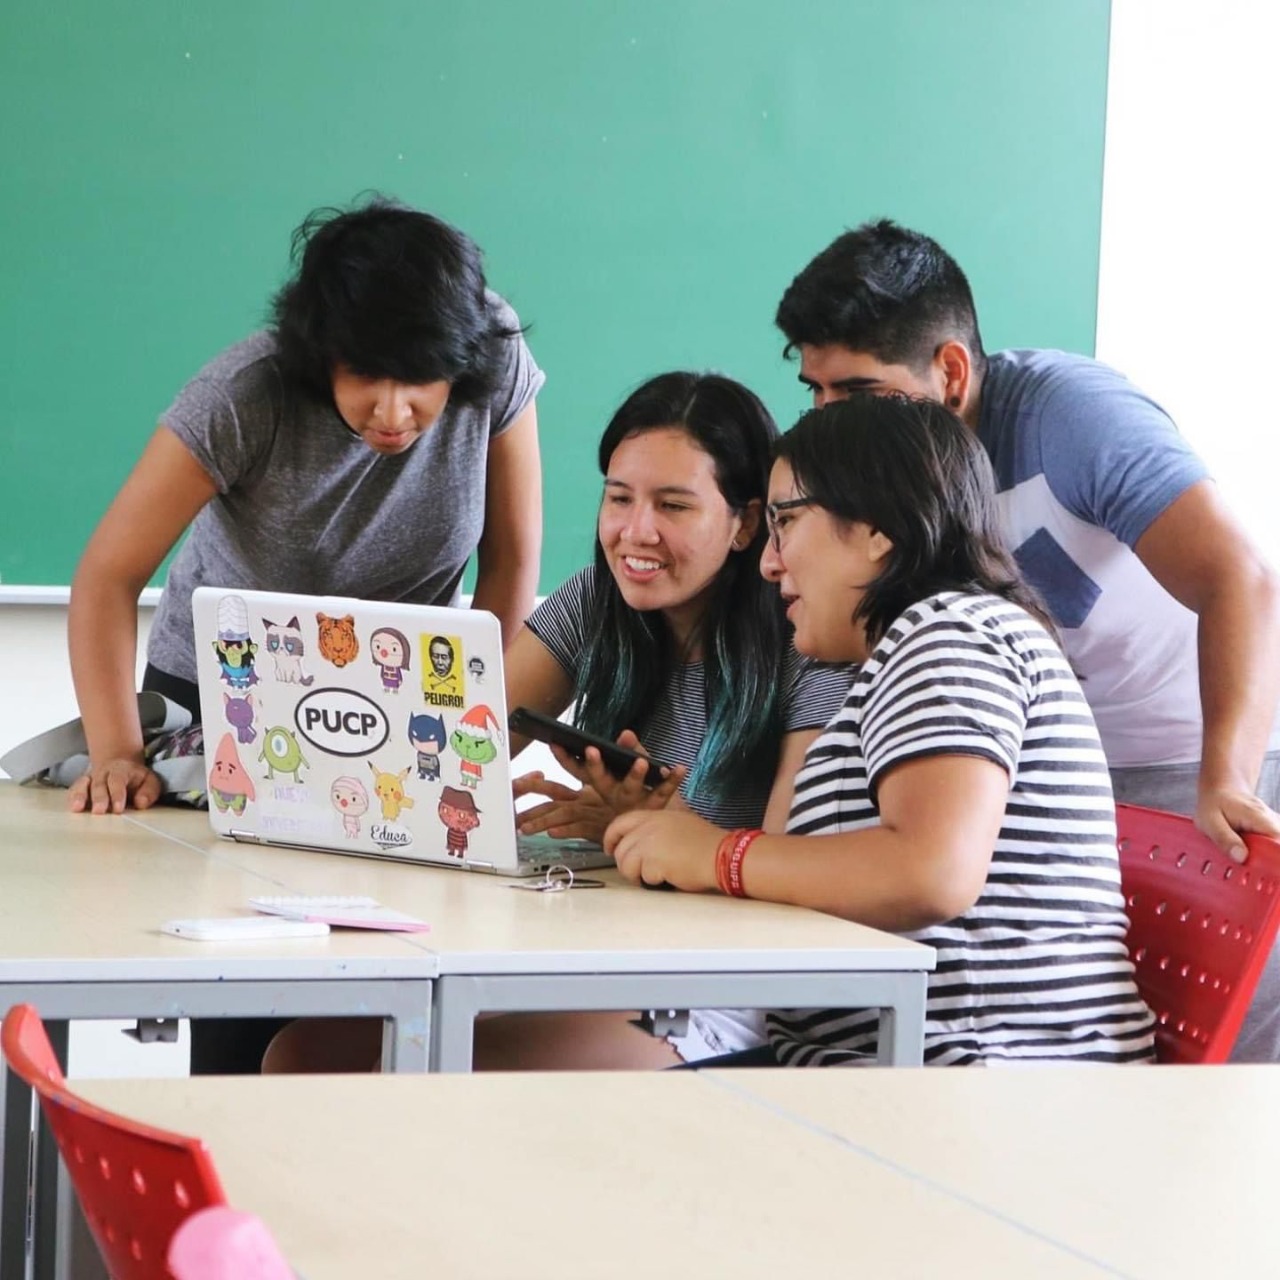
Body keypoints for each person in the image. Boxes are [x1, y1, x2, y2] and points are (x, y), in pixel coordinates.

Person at [773, 218, 1280, 1062]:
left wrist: (1224, 773)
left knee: (1228, 1075)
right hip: (1064, 766)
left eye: (854, 395)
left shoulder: (1066, 417)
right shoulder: (887, 514)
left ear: (952, 371)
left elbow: (1243, 579)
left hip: (1201, 757)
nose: (829, 422)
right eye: (814, 395)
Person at [66, 196, 544, 1074]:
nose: (394, 411)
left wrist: (481, 727)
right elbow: (106, 575)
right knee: (244, 987)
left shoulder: (493, 355)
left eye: (421, 383)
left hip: (405, 716)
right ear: (322, 350)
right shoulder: (243, 396)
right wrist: (116, 751)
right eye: (366, 375)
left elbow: (512, 562)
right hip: (229, 710)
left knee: (395, 974)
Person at [261, 371, 855, 1072]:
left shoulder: (808, 637)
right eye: (619, 498)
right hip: (601, 951)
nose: (637, 532)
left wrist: (666, 828)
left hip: (720, 990)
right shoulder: (596, 600)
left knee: (363, 1066)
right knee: (303, 1051)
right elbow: (462, 749)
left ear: (746, 524)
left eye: (673, 505)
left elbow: (790, 864)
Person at [604, 394, 1157, 1066]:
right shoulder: (920, 646)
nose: (769, 563)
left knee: (542, 1093)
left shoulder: (950, 634)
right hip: (893, 1068)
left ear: (875, 529)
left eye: (786, 524)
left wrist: (719, 855)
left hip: (970, 1079)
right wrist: (682, 833)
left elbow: (931, 871)